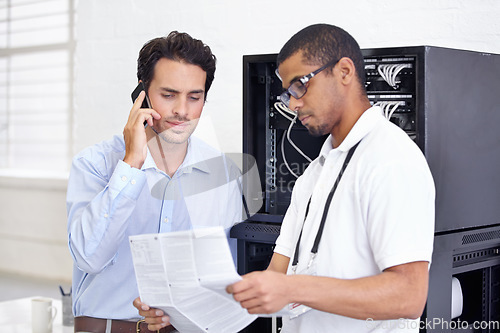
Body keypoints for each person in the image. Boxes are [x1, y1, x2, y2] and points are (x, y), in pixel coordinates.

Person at [135, 23, 435, 332]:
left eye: (300, 85)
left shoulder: (391, 159)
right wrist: (181, 310)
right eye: (287, 92)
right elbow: (275, 280)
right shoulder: (314, 175)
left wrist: (294, 289)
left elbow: (408, 296)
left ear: (344, 72)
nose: (292, 103)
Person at [67, 31, 243, 333]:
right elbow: (90, 257)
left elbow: (226, 278)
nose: (182, 111)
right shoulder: (94, 164)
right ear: (141, 95)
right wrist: (132, 163)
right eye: (169, 94)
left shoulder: (223, 173)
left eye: (194, 97)